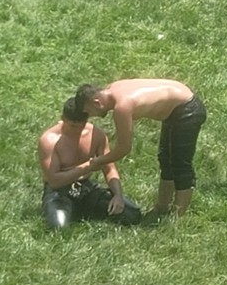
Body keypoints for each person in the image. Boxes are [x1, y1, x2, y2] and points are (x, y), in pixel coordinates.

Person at [74, 80, 206, 216]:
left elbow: (123, 148)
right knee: (166, 159)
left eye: (89, 112)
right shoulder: (113, 87)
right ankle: (162, 207)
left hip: (187, 109)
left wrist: (100, 161)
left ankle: (178, 216)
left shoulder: (122, 107)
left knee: (180, 164)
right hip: (175, 108)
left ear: (96, 102)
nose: (92, 116)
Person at [40, 97, 142, 231]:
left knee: (132, 215)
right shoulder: (49, 140)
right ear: (62, 118)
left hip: (85, 188)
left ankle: (87, 209)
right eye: (72, 125)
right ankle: (70, 210)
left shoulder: (96, 135)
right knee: (58, 228)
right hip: (60, 192)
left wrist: (117, 195)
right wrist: (87, 167)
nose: (76, 130)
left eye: (80, 126)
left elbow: (109, 168)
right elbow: (54, 181)